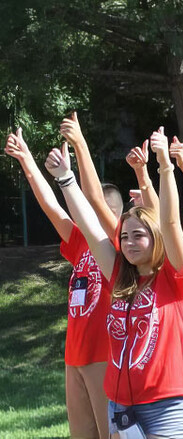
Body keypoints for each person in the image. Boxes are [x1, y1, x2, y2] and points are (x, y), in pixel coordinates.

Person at [45, 127, 183, 437]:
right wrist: (65, 178)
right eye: (124, 236)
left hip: (166, 405)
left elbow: (169, 222)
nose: (128, 243)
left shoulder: (176, 280)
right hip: (121, 406)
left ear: (155, 240)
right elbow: (91, 229)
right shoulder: (120, 279)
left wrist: (164, 166)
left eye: (138, 236)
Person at [5, 129, 116, 438]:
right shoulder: (80, 241)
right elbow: (51, 207)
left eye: (90, 209)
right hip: (74, 357)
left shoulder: (121, 244)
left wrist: (80, 145)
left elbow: (92, 195)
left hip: (105, 356)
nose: (81, 213)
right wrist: (26, 160)